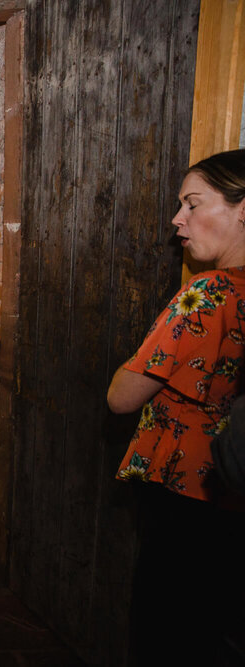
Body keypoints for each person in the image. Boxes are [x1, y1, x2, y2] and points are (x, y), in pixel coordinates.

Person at [107, 149, 245, 665]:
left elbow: (121, 396)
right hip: (234, 502)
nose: (176, 218)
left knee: (168, 635)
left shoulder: (207, 294)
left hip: (189, 496)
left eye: (192, 203)